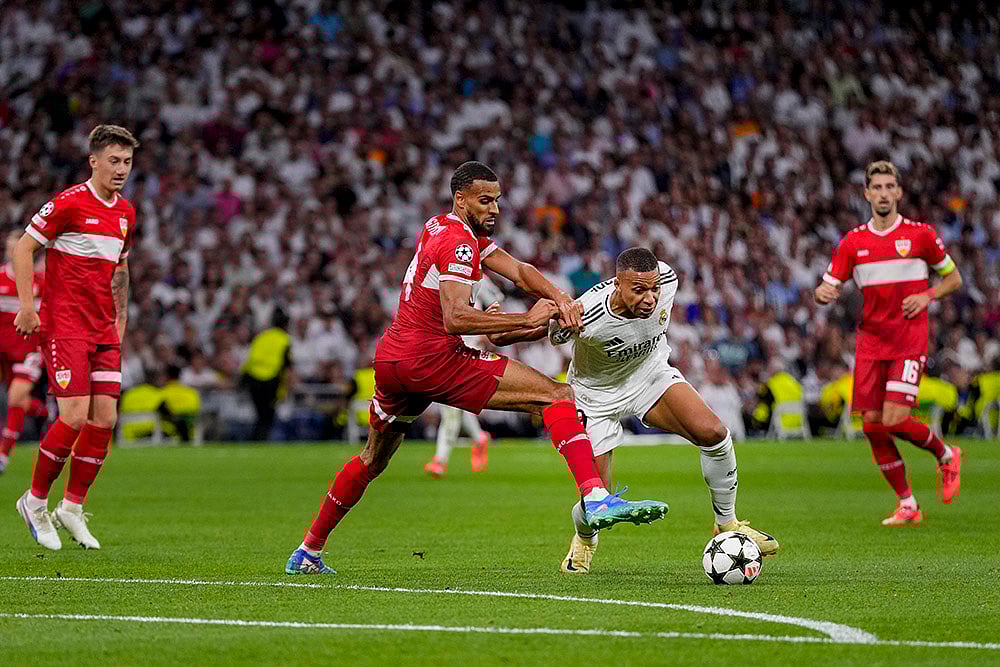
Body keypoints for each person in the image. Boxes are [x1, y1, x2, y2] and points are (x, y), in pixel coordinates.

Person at [285, 162, 667, 575]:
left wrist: (560, 299)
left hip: (394, 358)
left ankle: (308, 551)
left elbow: (519, 272)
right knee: (556, 395)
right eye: (485, 200)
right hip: (433, 357)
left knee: (373, 459)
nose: (495, 209)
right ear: (461, 199)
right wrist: (524, 319)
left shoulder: (441, 226)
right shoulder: (460, 245)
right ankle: (594, 496)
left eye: (497, 200)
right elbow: (455, 318)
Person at [488, 247, 779, 574]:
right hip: (594, 397)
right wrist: (497, 328)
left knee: (713, 433)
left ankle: (727, 524)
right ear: (618, 285)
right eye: (639, 290)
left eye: (653, 289)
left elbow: (658, 289)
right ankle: (584, 539)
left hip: (649, 376)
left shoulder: (668, 278)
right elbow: (529, 332)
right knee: (597, 498)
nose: (650, 299)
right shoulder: (587, 313)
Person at [815, 160, 963, 525]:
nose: (883, 194)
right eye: (876, 188)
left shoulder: (921, 236)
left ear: (899, 192)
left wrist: (928, 295)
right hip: (870, 343)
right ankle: (908, 504)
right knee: (872, 425)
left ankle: (946, 454)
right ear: (867, 194)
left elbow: (954, 278)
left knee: (895, 419)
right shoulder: (853, 242)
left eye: (889, 187)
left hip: (908, 340)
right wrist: (823, 293)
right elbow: (828, 285)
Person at [13, 124, 138, 550]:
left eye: (127, 162)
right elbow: (23, 248)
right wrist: (28, 307)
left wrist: (120, 320)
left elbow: (121, 269)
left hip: (104, 328)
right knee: (73, 417)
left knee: (105, 420)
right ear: (94, 161)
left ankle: (72, 507)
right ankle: (34, 501)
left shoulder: (126, 213)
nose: (121, 169)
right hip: (66, 325)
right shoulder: (68, 203)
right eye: (114, 161)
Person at [424, 275, 504, 478]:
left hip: (468, 350)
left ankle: (440, 460)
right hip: (447, 348)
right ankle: (479, 438)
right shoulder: (442, 275)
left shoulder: (478, 278)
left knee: (450, 406)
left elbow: (496, 300)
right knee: (456, 404)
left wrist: (488, 327)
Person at [0, 230, 45, 473]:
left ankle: (3, 454)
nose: (13, 251)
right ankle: (48, 412)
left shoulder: (40, 282)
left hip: (29, 350)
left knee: (16, 398)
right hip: (4, 351)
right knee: (19, 401)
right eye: (9, 247)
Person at [242, 309, 291, 441]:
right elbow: (286, 365)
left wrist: (243, 380)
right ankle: (261, 440)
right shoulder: (284, 339)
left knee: (260, 414)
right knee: (268, 415)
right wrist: (284, 389)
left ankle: (257, 439)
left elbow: (250, 359)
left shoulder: (261, 336)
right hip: (270, 380)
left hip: (253, 378)